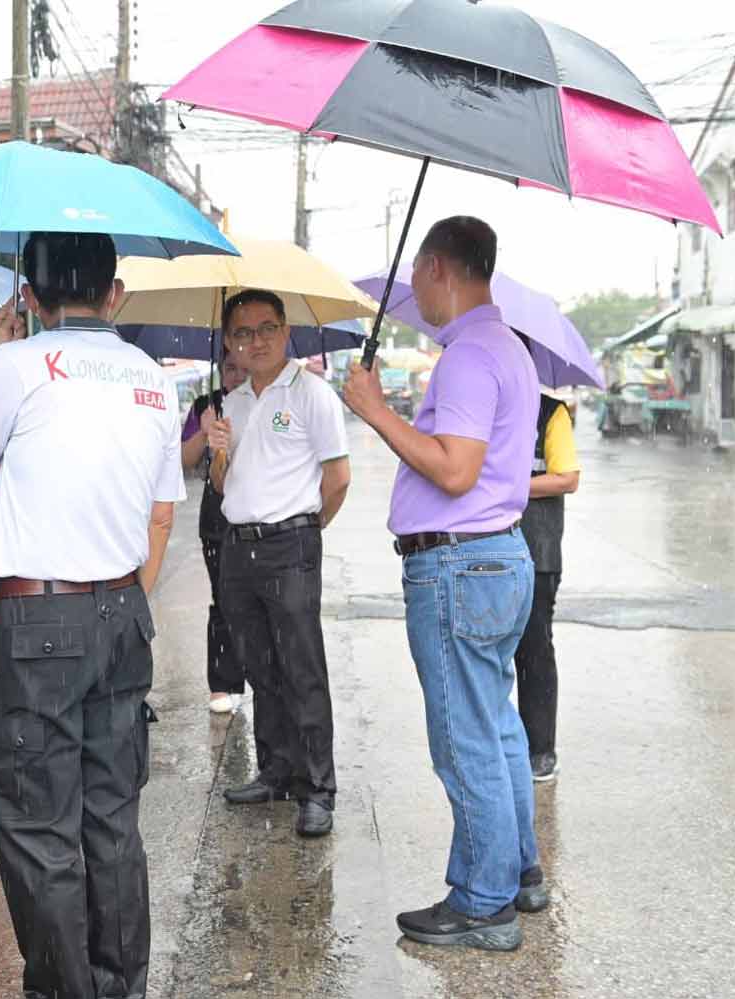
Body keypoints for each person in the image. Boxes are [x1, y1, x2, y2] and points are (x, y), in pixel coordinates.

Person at [0, 231, 183, 999]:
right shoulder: (152, 377)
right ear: (112, 293)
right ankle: (120, 988)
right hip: (123, 611)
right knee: (112, 821)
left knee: (38, 825)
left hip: (37, 621)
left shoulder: (17, 365)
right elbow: (160, 509)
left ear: (30, 293)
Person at [342, 216, 549, 951]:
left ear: (437, 267)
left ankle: (484, 901)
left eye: (418, 279)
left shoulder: (466, 356)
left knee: (464, 737)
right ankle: (518, 871)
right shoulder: (510, 349)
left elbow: (456, 470)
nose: (416, 295)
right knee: (495, 726)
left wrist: (373, 410)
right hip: (497, 557)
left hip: (460, 564)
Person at [205, 290, 351, 839]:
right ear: (230, 343)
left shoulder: (311, 393)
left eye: (266, 328)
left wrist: (305, 534)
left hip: (290, 546)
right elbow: (222, 486)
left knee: (301, 669)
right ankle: (276, 770)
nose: (256, 341)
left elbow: (337, 479)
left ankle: (318, 788)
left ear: (285, 331)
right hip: (237, 547)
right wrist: (219, 449)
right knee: (259, 667)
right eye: (243, 333)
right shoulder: (233, 402)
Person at [517, 376, 581, 783]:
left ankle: (540, 749)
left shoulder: (550, 413)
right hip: (482, 546)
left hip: (536, 551)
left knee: (534, 650)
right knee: (484, 654)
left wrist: (506, 488)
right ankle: (498, 746)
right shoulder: (479, 406)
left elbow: (567, 478)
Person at [179, 350, 249, 713]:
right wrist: (204, 432)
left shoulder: (264, 401)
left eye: (243, 369)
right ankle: (223, 683)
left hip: (259, 513)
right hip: (216, 517)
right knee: (223, 599)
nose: (237, 376)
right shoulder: (207, 405)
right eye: (230, 369)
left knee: (258, 602)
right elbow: (184, 461)